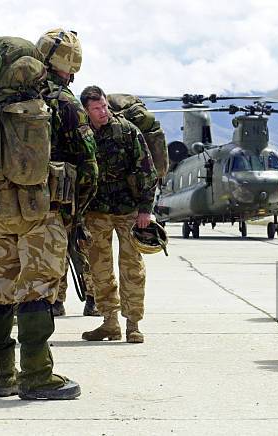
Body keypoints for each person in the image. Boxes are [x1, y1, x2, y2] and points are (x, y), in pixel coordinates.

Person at [0, 29, 97, 400]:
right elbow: (88, 163)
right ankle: (36, 375)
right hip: (41, 210)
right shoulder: (63, 102)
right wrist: (74, 213)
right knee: (37, 290)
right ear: (71, 66)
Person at [79, 85, 157, 343]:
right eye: (96, 109)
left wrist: (145, 209)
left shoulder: (127, 131)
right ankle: (109, 322)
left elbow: (146, 170)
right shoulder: (83, 134)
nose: (102, 112)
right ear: (87, 111)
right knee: (99, 268)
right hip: (96, 211)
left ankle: (133, 323)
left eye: (103, 106)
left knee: (132, 267)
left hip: (128, 210)